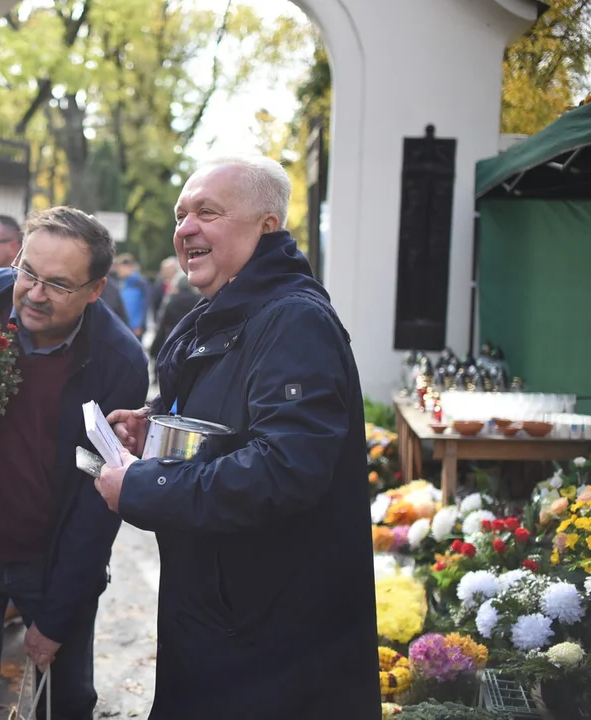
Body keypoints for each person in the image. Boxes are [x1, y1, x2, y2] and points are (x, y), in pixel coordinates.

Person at [96, 156, 379, 719]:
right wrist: (159, 427)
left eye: (208, 211)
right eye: (181, 215)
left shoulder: (293, 320)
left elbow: (284, 469)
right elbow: (233, 425)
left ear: (266, 227)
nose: (185, 228)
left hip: (269, 643)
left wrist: (143, 488)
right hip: (222, 616)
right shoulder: (231, 311)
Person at [0, 207, 149, 719]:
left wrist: (57, 616)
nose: (35, 294)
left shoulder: (117, 362)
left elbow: (98, 499)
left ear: (95, 290)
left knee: (64, 703)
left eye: (58, 285)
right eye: (28, 272)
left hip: (53, 557)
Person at [148, 272, 199, 359]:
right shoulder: (198, 299)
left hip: (173, 340)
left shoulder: (171, 300)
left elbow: (162, 324)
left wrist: (154, 349)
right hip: (193, 343)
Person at [114, 254, 149, 340]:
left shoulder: (141, 284)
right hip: (123, 327)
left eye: (120, 267)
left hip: (135, 329)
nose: (118, 271)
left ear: (128, 267)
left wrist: (140, 325)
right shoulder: (121, 284)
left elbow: (145, 306)